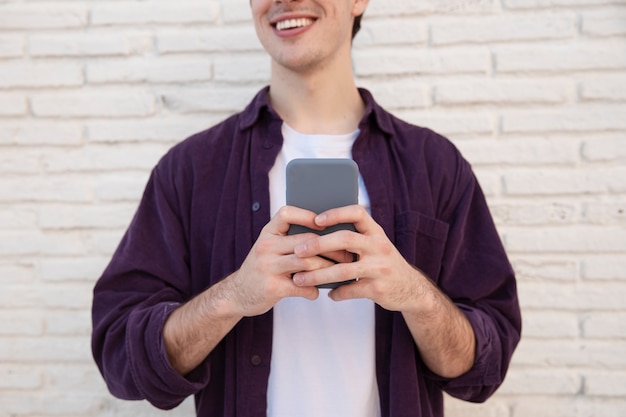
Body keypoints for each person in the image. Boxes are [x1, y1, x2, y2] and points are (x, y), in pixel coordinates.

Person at [91, 1, 521, 416]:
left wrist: (413, 294)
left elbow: (485, 364)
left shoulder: (435, 165)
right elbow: (120, 357)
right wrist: (234, 296)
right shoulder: (189, 170)